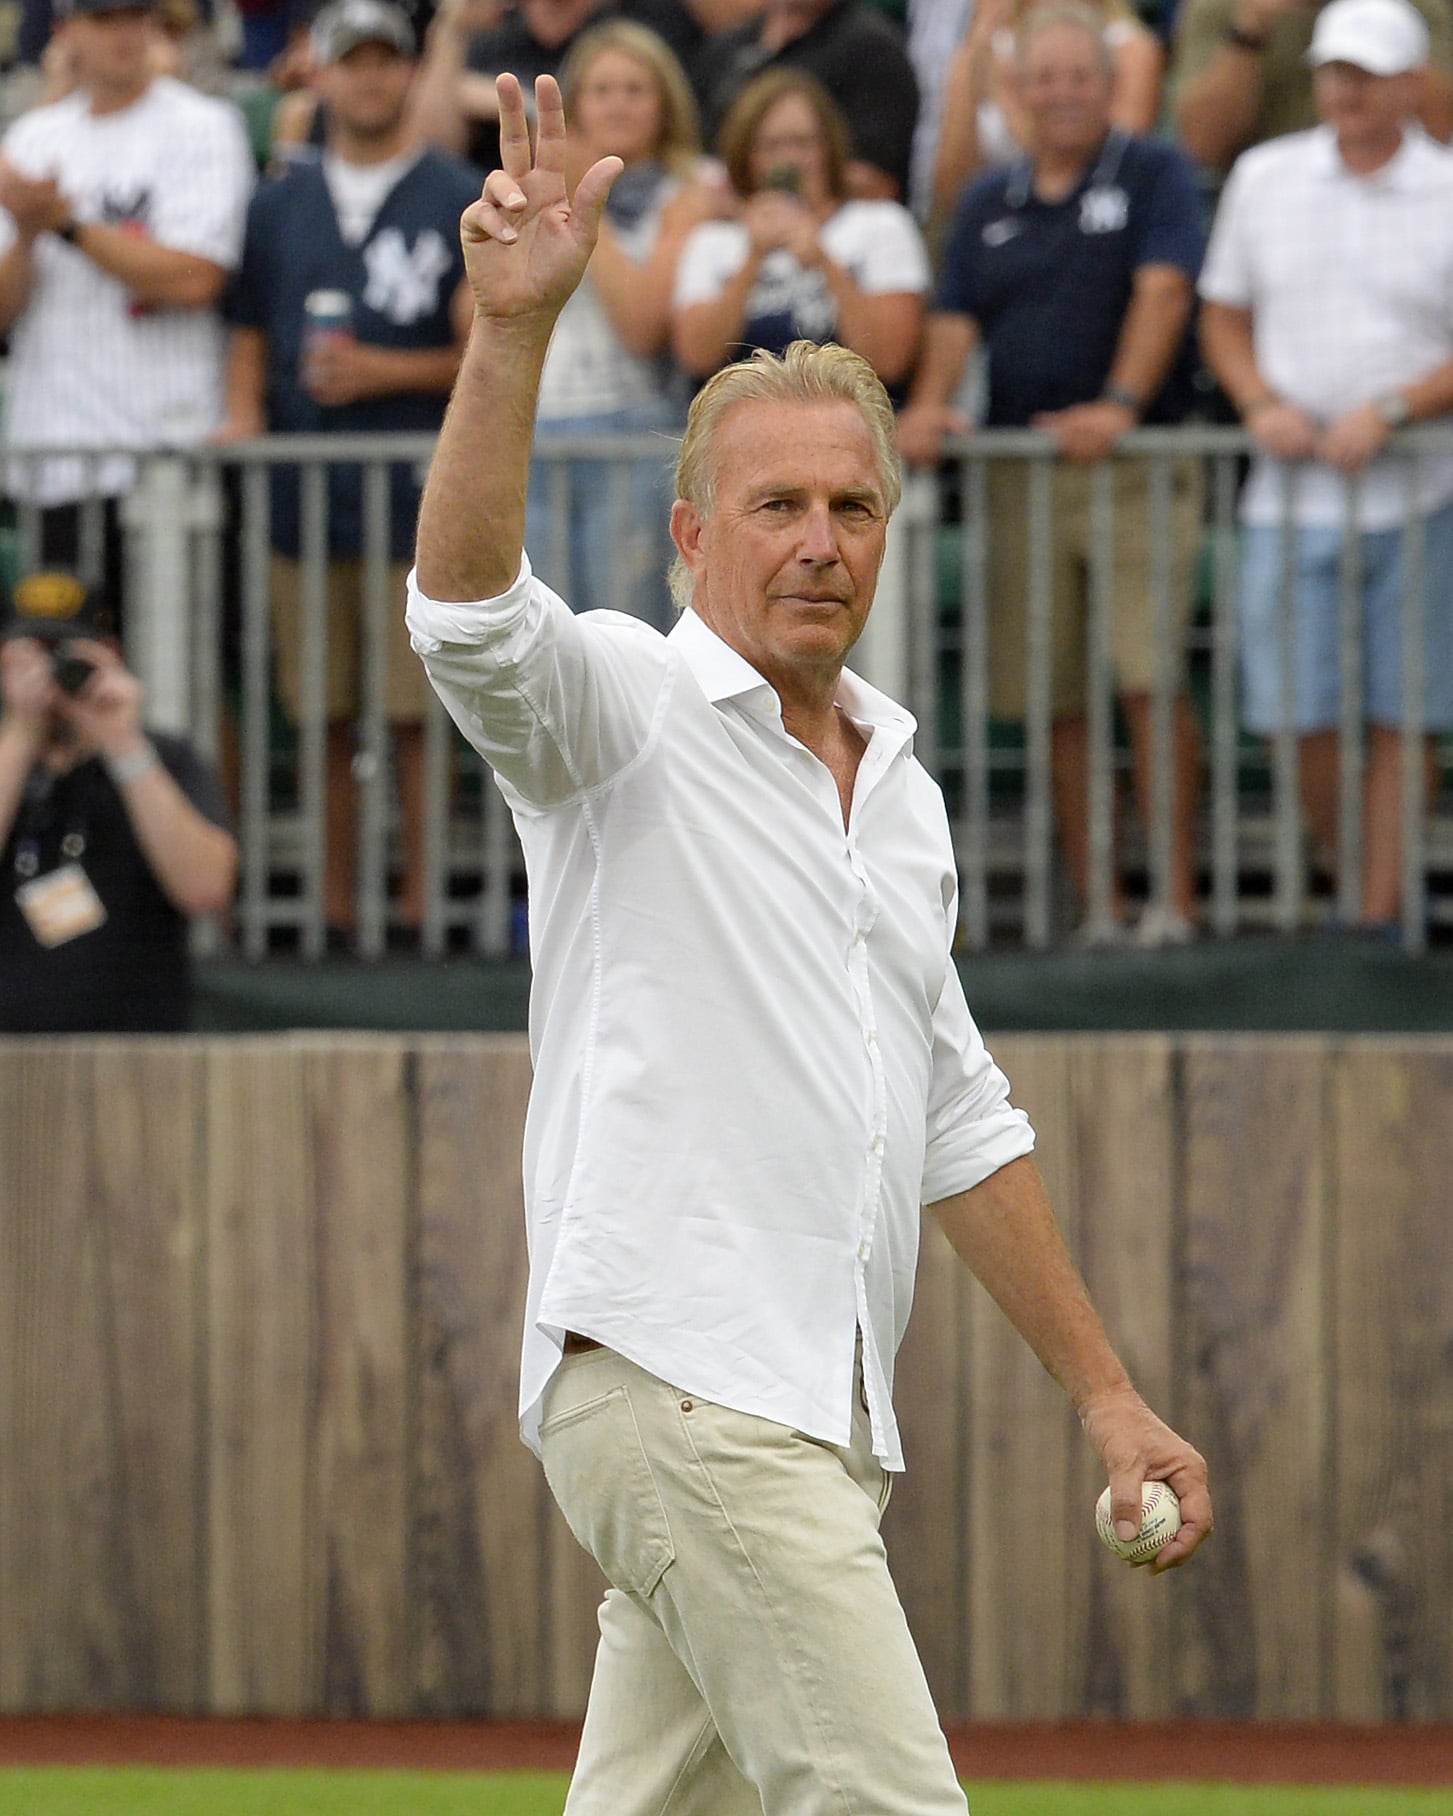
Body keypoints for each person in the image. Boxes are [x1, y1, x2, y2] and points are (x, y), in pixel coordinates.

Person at [407, 69, 1212, 1813]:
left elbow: (954, 1118)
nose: (816, 542)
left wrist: (1106, 1398)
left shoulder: (900, 787)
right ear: (691, 534)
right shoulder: (618, 703)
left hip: (811, 1420)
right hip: (686, 1389)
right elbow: (467, 616)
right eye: (773, 507)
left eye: (850, 509)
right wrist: (511, 336)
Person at [898, 4, 1207, 946]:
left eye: (1079, 75)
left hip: (1132, 468)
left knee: (1145, 679)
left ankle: (1178, 906)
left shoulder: (1153, 170)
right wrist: (929, 403)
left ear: (1110, 85)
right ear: (1017, 94)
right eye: (1045, 78)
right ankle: (1101, 908)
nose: (1062, 92)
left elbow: (1165, 289)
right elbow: (953, 321)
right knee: (1056, 695)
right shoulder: (988, 200)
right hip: (1017, 476)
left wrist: (1117, 402)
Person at [220, 0, 478, 936]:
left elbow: (481, 353)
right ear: (318, 75)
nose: (368, 78)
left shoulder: (453, 190)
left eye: (385, 61)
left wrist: (381, 372)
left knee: (414, 715)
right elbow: (247, 330)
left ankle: (416, 914)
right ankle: (332, 914)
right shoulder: (278, 197)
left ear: (409, 72)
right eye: (350, 62)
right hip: (301, 492)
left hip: (413, 496)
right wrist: (243, 416)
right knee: (321, 711)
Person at [1199, 0, 1453, 931]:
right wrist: (1259, 402)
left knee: (1405, 716)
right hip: (1289, 495)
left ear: (1410, 83)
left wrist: (1394, 409)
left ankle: (1373, 918)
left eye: (1366, 71)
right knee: (1292, 715)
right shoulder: (1264, 177)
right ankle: (1357, 896)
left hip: (1423, 493)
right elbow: (1221, 316)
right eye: (1332, 70)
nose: (1343, 87)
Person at [0, 0, 254, 630]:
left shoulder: (204, 125)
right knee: (60, 680)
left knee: (180, 681)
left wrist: (64, 225)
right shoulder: (32, 139)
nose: (125, 32)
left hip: (166, 455)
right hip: (54, 460)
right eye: (104, 17)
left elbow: (197, 278)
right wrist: (29, 236)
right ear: (64, 33)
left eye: (136, 15)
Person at [527, 19, 728, 625]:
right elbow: (473, 315)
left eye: (635, 89)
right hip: (537, 431)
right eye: (602, 89)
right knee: (539, 643)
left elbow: (644, 325)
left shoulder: (693, 189)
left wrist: (582, 208)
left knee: (625, 636)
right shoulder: (537, 186)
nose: (618, 103)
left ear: (665, 102)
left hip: (632, 433)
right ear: (575, 104)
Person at [0, 568, 237, 1032]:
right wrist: (22, 734)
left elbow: (207, 889)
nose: (49, 676)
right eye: (32, 657)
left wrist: (121, 742)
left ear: (108, 654)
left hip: (137, 1064)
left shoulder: (163, 759)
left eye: (64, 656)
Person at [671, 68, 927, 391]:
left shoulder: (881, 224)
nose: (790, 159)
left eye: (802, 143)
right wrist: (752, 259)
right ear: (747, 155)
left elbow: (890, 361)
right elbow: (697, 358)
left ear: (828, 147)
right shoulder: (713, 240)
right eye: (772, 145)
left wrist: (825, 262)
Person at [930, 0, 1163, 228]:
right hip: (996, 229)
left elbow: (1113, 169)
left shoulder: (1130, 49)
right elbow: (953, 196)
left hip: (1094, 227)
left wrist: (1007, 94)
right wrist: (974, 63)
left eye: (1080, 77)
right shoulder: (981, 51)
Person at [1171, 0, 1453, 174]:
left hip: (1396, 186)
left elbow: (1440, 132)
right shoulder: (1219, 7)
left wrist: (1388, 22)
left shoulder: (1419, 6)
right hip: (1271, 199)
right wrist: (1251, 26)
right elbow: (1202, 147)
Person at [693, 0, 920, 199]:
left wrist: (753, 188)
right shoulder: (727, 47)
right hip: (726, 223)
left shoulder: (875, 50)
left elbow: (879, 183)